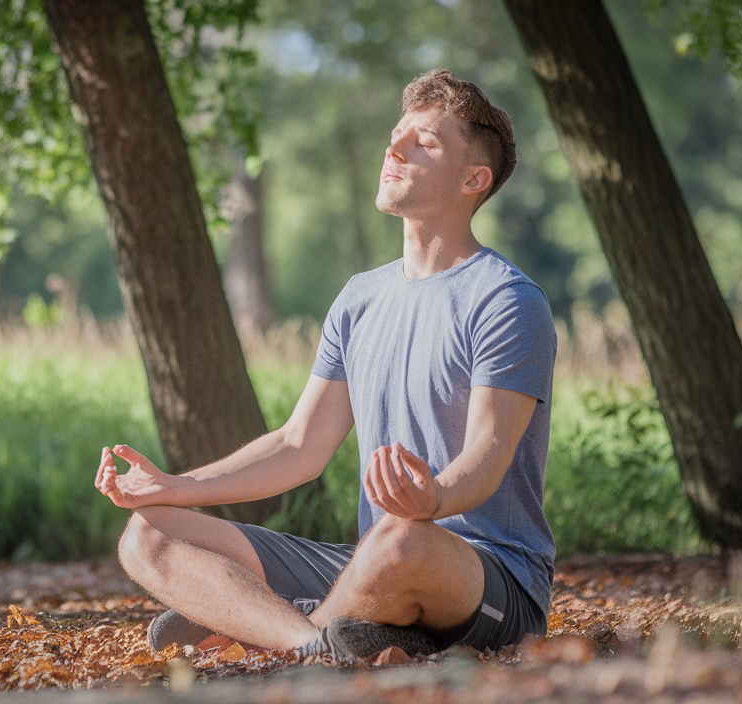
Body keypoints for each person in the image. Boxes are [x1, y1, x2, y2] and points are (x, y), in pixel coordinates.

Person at [94, 69, 556, 660]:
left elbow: (487, 456)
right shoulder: (360, 298)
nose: (394, 149)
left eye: (424, 143)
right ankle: (317, 641)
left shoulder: (506, 300)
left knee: (402, 541)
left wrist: (433, 500)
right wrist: (175, 487)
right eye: (396, 135)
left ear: (474, 179)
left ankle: (267, 622)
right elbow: (298, 446)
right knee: (148, 533)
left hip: (488, 575)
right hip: (370, 558)